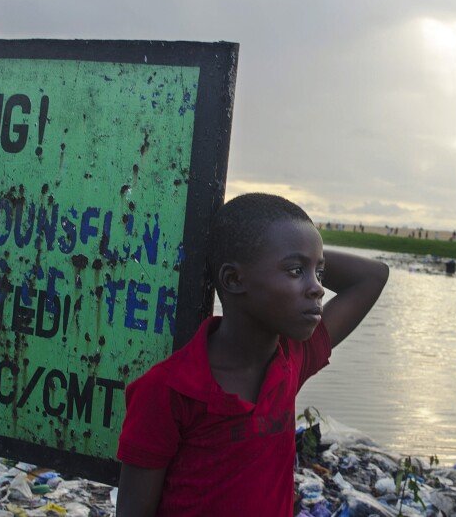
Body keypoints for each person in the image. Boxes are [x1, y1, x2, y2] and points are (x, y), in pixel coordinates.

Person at [115, 193, 389, 516]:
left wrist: (300, 249)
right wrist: (250, 247)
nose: (317, 288)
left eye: (320, 272)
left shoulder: (291, 359)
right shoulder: (167, 390)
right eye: (296, 271)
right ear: (233, 279)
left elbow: (373, 276)